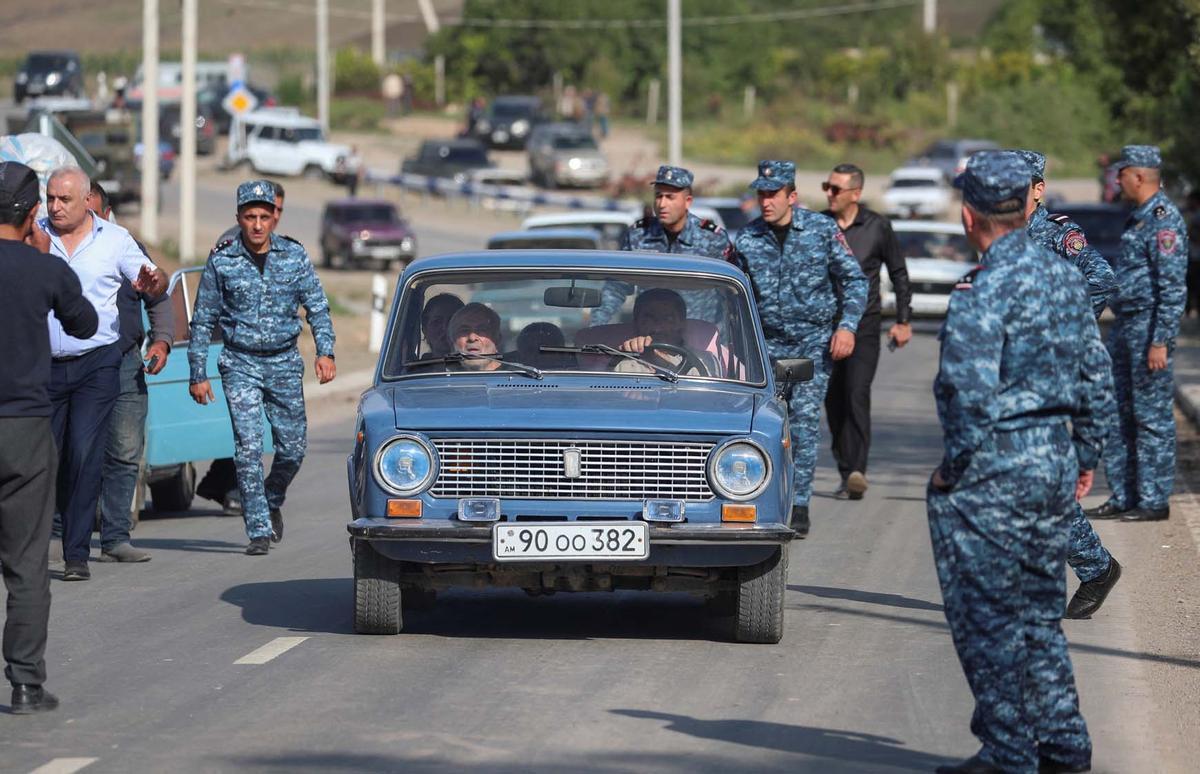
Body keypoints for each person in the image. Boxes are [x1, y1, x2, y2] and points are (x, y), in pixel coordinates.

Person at [927, 151, 1113, 774]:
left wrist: (954, 468)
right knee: (1038, 618)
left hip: (996, 473)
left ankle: (1009, 753)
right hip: (1053, 464)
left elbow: (966, 393)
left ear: (969, 215)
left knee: (987, 621)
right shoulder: (1064, 276)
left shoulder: (982, 288)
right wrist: (1085, 453)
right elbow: (1095, 373)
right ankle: (1064, 748)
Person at [188, 180, 336, 555]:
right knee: (249, 447)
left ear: (274, 218)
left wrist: (326, 352)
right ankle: (257, 528)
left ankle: (271, 499)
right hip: (240, 363)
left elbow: (316, 306)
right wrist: (198, 373)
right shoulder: (223, 260)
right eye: (249, 216)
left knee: (293, 448)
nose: (256, 225)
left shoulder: (294, 256)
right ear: (239, 218)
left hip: (285, 361)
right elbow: (203, 320)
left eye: (263, 217)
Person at [0, 161, 98, 714]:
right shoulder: (44, 269)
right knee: (27, 561)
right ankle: (24, 684)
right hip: (25, 432)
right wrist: (45, 263)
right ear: (33, 212)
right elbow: (84, 324)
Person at [39, 166, 166, 582]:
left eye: (64, 200)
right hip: (43, 365)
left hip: (97, 361)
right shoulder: (35, 236)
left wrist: (153, 281)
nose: (55, 207)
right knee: (45, 456)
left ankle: (77, 555)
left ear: (87, 200)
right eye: (51, 198)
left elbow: (154, 281)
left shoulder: (115, 241)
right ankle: (38, 541)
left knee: (84, 452)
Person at [732, 160, 868, 537]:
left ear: (792, 196)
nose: (766, 202)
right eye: (760, 194)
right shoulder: (746, 239)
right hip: (763, 349)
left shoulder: (822, 231)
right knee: (761, 426)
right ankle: (760, 497)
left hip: (811, 343)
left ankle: (800, 502)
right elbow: (731, 298)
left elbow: (855, 281)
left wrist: (847, 326)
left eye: (773, 194)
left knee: (805, 425)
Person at [1015, 149, 1123, 619]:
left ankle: (1094, 566)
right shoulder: (1002, 238)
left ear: (1038, 190)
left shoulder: (1059, 236)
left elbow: (1102, 278)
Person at [1085, 145, 1189, 524]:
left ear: (1139, 176)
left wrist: (1161, 339)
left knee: (1151, 416)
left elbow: (1173, 287)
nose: (1117, 181)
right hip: (1126, 323)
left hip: (1148, 327)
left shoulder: (1164, 220)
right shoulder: (1139, 217)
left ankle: (1153, 499)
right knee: (1119, 412)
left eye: (1122, 174)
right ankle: (1125, 494)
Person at [91, 182, 173, 564]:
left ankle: (115, 537)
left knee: (124, 450)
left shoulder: (124, 245)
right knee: (69, 449)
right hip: (71, 362)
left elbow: (157, 294)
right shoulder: (52, 243)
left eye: (91, 209)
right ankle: (58, 532)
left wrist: (162, 342)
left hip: (124, 361)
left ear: (106, 211)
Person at [820, 163, 912, 501]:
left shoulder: (877, 227)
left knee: (856, 393)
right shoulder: (819, 225)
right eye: (826, 187)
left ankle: (857, 470)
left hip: (865, 327)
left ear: (855, 194)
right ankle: (846, 471)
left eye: (835, 189)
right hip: (824, 328)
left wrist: (903, 320)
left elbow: (899, 273)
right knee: (833, 401)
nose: (828, 194)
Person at [197, 181, 287, 516]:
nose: (269, 218)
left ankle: (218, 482)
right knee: (245, 423)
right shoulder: (230, 244)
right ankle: (234, 488)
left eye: (275, 211)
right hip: (236, 347)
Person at [593, 165, 732, 325]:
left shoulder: (713, 238)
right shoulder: (639, 235)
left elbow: (730, 295)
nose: (662, 204)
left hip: (699, 338)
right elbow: (616, 287)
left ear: (687, 201)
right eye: (658, 196)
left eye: (670, 197)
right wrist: (596, 326)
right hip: (649, 335)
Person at [446, 302, 503, 371]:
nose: (472, 338)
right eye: (464, 330)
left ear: (497, 339)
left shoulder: (516, 376)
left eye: (482, 330)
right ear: (452, 342)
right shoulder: (439, 378)